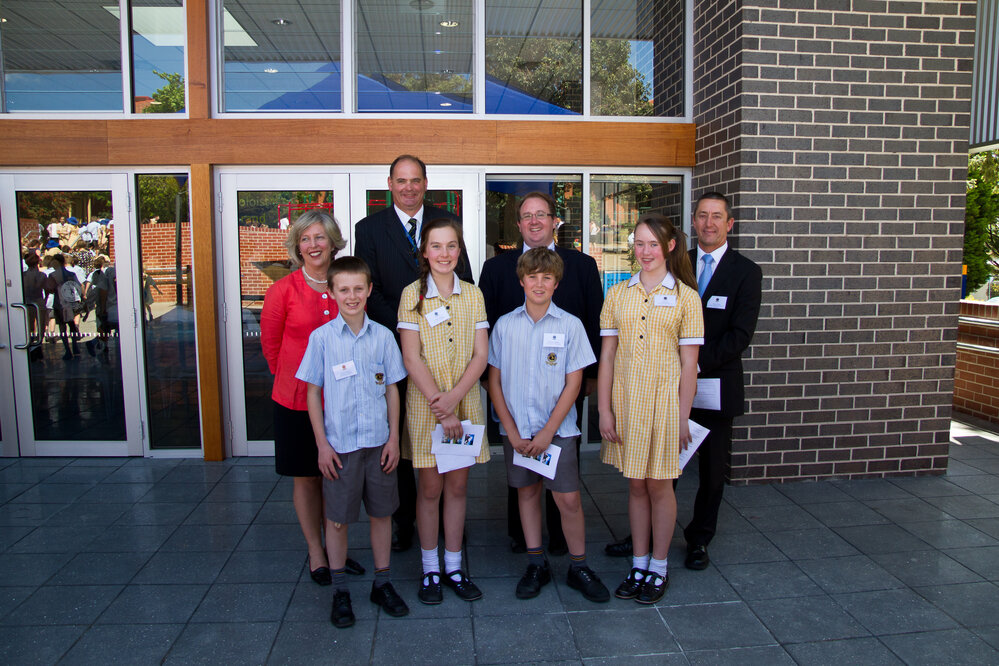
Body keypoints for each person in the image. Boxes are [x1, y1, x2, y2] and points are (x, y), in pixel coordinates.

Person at [355, 154, 474, 553]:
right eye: (401, 180)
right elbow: (371, 291)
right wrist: (410, 326)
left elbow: (466, 279)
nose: (408, 187)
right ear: (389, 184)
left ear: (426, 183)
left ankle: (449, 525)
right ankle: (407, 521)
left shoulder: (446, 223)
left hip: (450, 357)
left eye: (415, 180)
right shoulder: (369, 228)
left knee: (450, 447)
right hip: (397, 349)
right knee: (406, 437)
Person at [479, 191, 602, 555]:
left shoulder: (580, 265)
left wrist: (592, 376)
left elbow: (593, 319)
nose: (534, 222)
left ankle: (563, 541)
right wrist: (489, 380)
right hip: (513, 390)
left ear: (553, 221)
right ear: (518, 225)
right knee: (522, 482)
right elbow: (485, 326)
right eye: (527, 216)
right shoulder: (496, 268)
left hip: (562, 388)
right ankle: (523, 538)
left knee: (563, 471)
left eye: (541, 215)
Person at [487, 248, 609, 603]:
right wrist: (510, 430)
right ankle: (535, 562)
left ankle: (578, 565)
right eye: (532, 277)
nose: (539, 284)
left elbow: (574, 383)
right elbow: (494, 381)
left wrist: (547, 432)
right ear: (521, 280)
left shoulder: (570, 325)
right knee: (526, 494)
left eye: (547, 277)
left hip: (558, 432)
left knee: (568, 499)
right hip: (518, 432)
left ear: (557, 282)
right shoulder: (506, 326)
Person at [296, 256, 410, 628]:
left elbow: (393, 390)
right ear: (331, 293)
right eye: (343, 289)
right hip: (340, 448)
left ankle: (382, 582)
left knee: (382, 515)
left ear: (369, 290)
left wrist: (394, 437)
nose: (352, 296)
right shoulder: (322, 339)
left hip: (379, 445)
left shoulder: (383, 337)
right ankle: (340, 589)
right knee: (338, 521)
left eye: (358, 288)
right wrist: (322, 445)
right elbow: (313, 393)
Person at [598, 213, 703, 604]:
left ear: (669, 247)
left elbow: (689, 364)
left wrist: (682, 415)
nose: (644, 252)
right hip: (626, 402)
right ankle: (638, 563)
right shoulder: (617, 294)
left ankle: (658, 567)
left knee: (660, 484)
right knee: (635, 484)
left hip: (664, 404)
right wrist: (605, 410)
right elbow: (607, 357)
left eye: (652, 244)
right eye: (638, 243)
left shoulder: (686, 298)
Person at [260, 210, 364, 587]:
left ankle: (338, 550)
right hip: (296, 402)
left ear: (333, 241)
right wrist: (294, 382)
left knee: (336, 478)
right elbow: (271, 349)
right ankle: (316, 553)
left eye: (320, 237)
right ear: (297, 246)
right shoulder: (282, 290)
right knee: (306, 478)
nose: (314, 245)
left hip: (344, 401)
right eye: (306, 238)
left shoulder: (349, 284)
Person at [397, 217, 488, 604]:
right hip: (426, 407)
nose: (444, 254)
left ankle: (453, 565)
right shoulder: (410, 295)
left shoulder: (474, 295)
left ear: (459, 251)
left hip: (463, 403)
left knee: (458, 486)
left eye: (452, 246)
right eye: (436, 246)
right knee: (430, 489)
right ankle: (430, 567)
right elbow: (410, 357)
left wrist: (455, 401)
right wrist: (441, 403)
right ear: (424, 251)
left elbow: (481, 355)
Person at [681, 192, 763, 570]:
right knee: (663, 467)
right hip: (671, 388)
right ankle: (646, 534)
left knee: (713, 474)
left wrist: (692, 365)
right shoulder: (676, 265)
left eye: (717, 217)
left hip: (713, 386)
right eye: (702, 216)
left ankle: (699, 539)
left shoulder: (746, 271)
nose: (708, 223)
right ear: (693, 222)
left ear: (729, 224)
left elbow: (740, 335)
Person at [45, 253, 83, 360]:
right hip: (71, 302)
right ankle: (75, 347)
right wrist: (81, 298)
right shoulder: (71, 273)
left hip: (59, 304)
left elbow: (50, 289)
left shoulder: (52, 275)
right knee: (72, 326)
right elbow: (79, 286)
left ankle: (67, 350)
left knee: (62, 327)